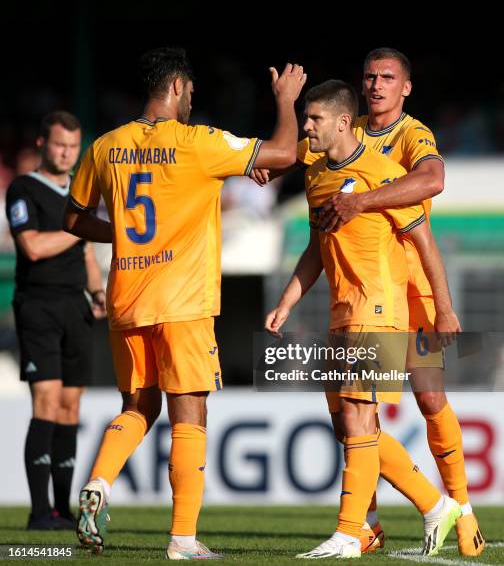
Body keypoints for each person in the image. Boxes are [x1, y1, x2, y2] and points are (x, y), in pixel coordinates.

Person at [63, 47, 306, 559]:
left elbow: (72, 219)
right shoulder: (198, 143)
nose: (193, 101)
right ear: (176, 88)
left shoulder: (106, 146)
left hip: (127, 298)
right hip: (184, 301)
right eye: (191, 93)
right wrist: (285, 100)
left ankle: (99, 485)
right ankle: (183, 539)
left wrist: (125, 235)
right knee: (189, 414)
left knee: (138, 405)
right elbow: (285, 154)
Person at [265, 48, 484, 557]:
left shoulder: (412, 135)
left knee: (427, 399)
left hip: (413, 284)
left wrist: (360, 200)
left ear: (406, 87)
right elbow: (292, 157)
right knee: (349, 412)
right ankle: (372, 521)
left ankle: (461, 507)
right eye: (370, 76)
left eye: (388, 77)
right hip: (359, 280)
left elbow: (432, 180)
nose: (377, 84)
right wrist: (267, 164)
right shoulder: (344, 128)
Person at [5, 111, 106, 531]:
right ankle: (38, 512)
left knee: (70, 406)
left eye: (73, 146)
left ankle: (62, 510)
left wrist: (98, 292)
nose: (67, 153)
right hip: (39, 307)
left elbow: (85, 255)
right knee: (45, 401)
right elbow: (31, 247)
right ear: (43, 144)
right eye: (60, 145)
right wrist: (78, 227)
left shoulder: (78, 192)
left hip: (75, 307)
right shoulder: (23, 189)